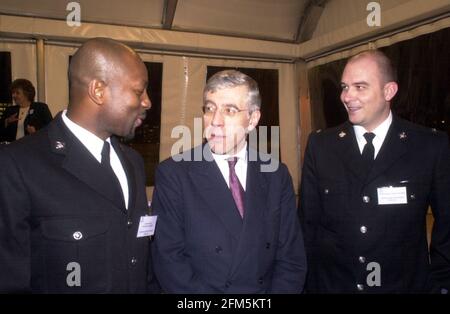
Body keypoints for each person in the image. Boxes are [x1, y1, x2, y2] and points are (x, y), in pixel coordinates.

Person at [0, 37, 159, 293]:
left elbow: (140, 251)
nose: (147, 102)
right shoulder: (18, 165)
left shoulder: (133, 162)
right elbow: (10, 278)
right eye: (139, 91)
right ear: (98, 90)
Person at [299, 50, 450, 293]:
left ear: (389, 91)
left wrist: (441, 286)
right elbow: (307, 226)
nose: (347, 96)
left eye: (360, 87)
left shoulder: (429, 146)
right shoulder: (321, 146)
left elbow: (447, 228)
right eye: (345, 87)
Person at [152, 70, 307, 293]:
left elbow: (291, 258)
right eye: (210, 108)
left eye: (229, 110)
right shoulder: (174, 174)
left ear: (253, 119)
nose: (215, 121)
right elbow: (170, 262)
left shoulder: (275, 174)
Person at [0, 79, 53, 143]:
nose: (13, 95)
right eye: (13, 93)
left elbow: (51, 129)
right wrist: (7, 122)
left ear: (26, 93)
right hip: (13, 149)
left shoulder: (40, 108)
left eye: (17, 93)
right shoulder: (9, 110)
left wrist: (36, 133)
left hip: (32, 148)